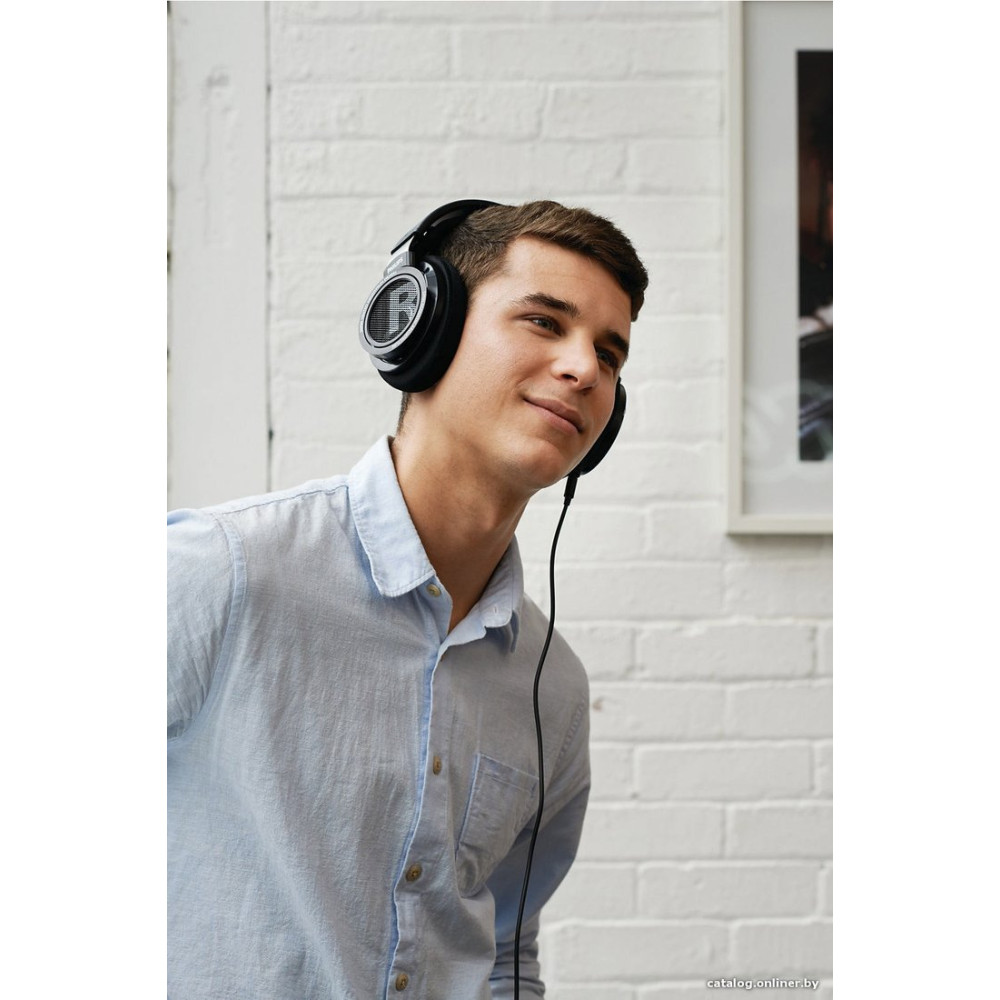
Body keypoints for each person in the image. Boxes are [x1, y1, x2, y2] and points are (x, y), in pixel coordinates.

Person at [168, 200, 648, 998]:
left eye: (609, 353)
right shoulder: (223, 570)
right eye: (543, 321)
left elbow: (506, 953)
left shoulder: (552, 689)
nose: (584, 369)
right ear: (425, 325)